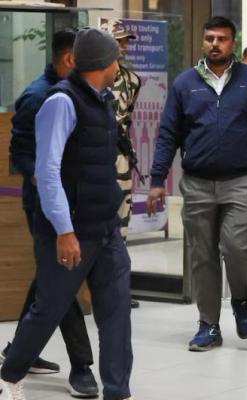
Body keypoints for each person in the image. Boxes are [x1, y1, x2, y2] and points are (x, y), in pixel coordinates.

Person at [0, 28, 134, 400]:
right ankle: (9, 375)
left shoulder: (101, 99)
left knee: (117, 311)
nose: (118, 64)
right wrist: (64, 230)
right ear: (104, 63)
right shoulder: (61, 102)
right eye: (115, 58)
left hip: (104, 227)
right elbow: (47, 171)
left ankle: (118, 390)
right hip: (70, 229)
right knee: (49, 307)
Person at [146, 16, 247, 352]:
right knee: (202, 256)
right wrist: (157, 180)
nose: (214, 44)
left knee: (236, 247)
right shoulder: (185, 83)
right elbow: (167, 134)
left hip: (240, 181)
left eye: (221, 39)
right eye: (209, 38)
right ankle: (208, 324)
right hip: (196, 183)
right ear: (203, 42)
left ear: (233, 43)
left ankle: (240, 299)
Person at [6, 28, 99, 398]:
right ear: (70, 60)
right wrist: (45, 177)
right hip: (46, 206)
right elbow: (21, 154)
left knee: (49, 281)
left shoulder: (78, 93)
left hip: (75, 203)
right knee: (62, 282)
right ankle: (82, 367)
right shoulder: (39, 96)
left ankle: (18, 350)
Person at [102, 19, 143, 310]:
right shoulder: (88, 79)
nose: (124, 45)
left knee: (122, 222)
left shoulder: (132, 80)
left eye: (125, 40)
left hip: (119, 156)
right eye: (119, 40)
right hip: (93, 159)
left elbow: (126, 117)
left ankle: (118, 288)